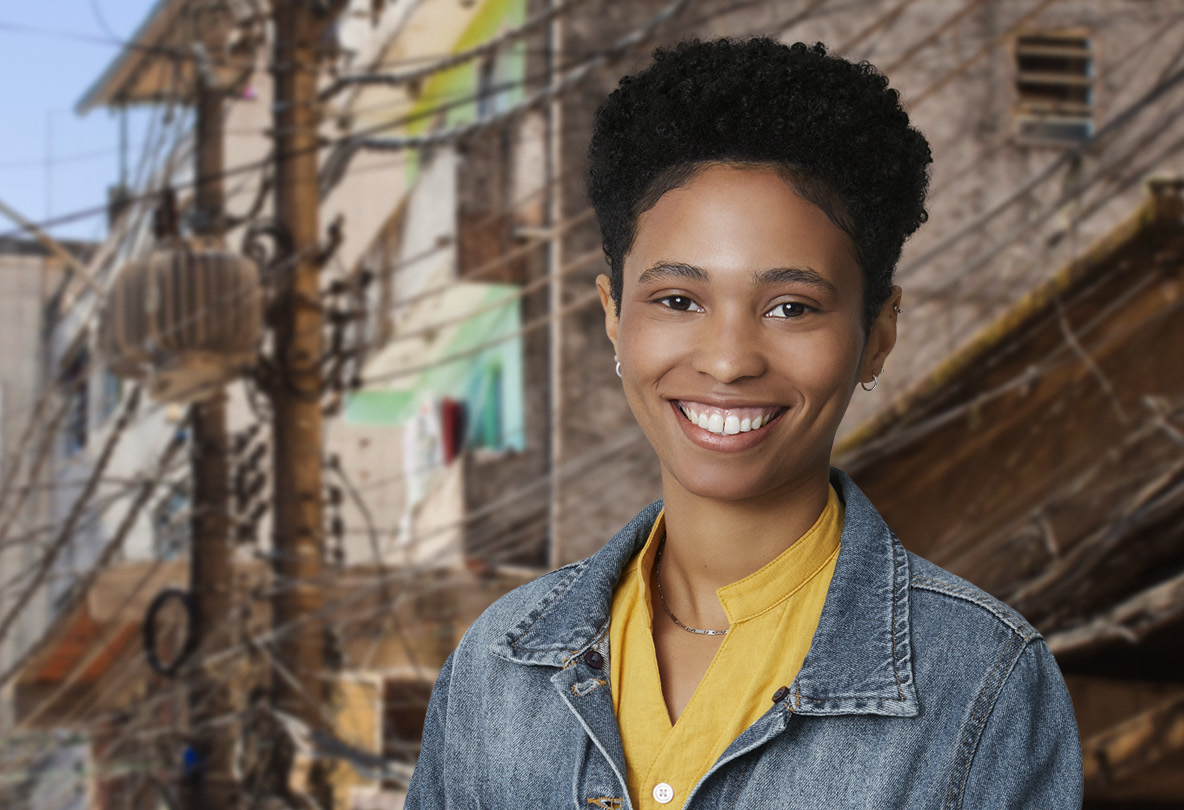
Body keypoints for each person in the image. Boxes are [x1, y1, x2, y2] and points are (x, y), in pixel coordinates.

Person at [405, 37, 1082, 809]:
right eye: (677, 301)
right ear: (613, 317)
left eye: (791, 307)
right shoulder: (497, 668)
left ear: (878, 335)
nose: (728, 361)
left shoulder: (982, 684)